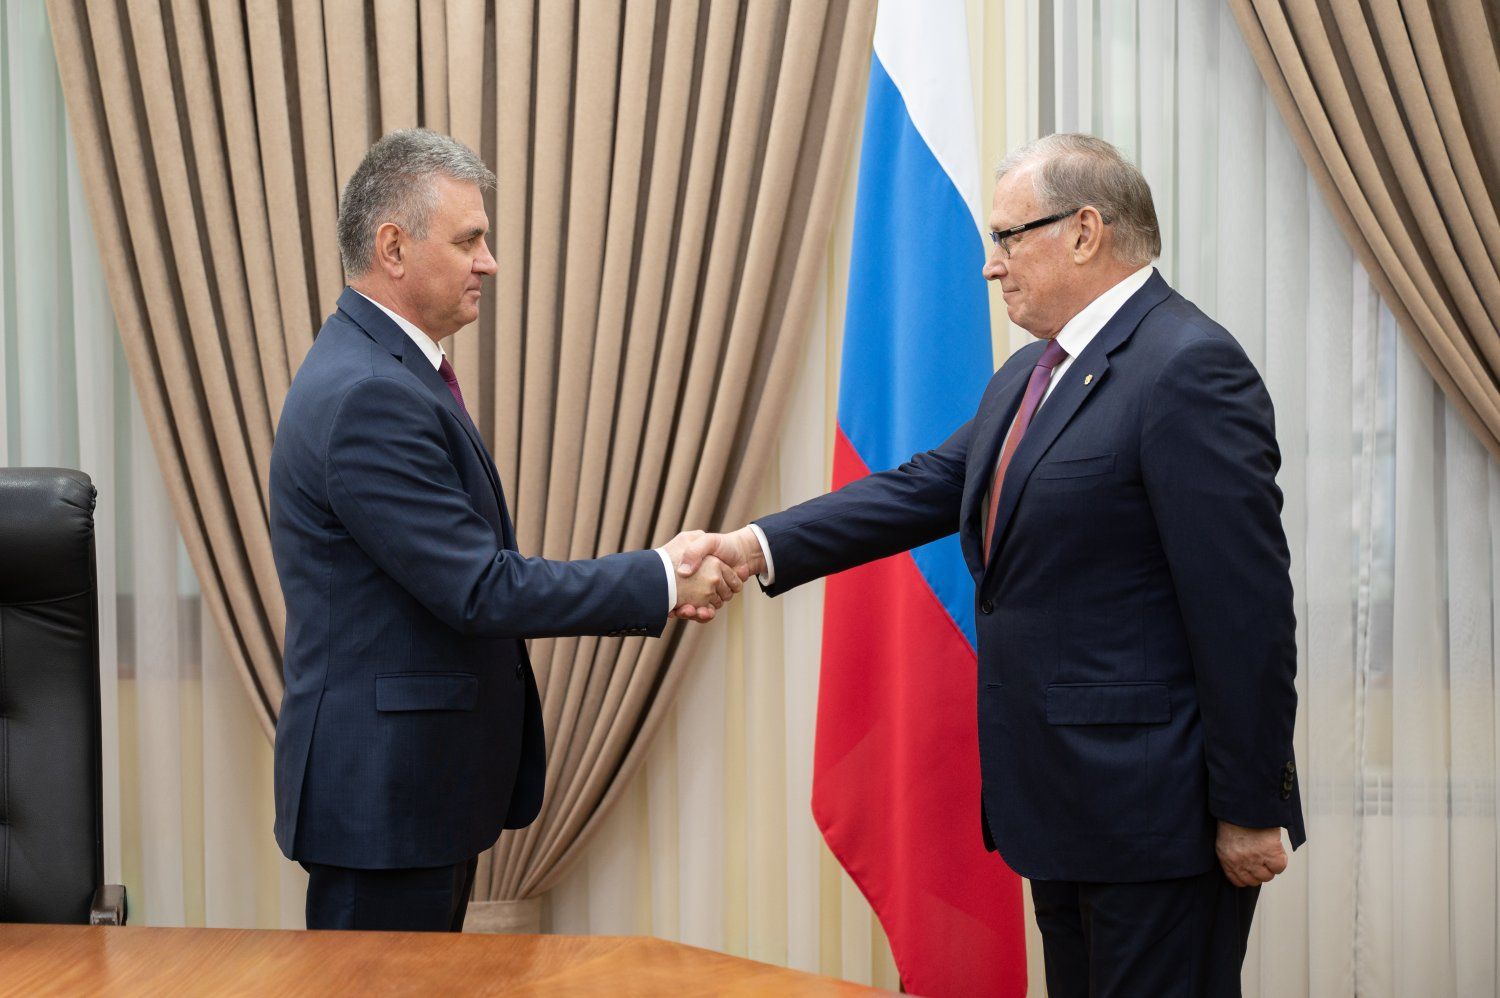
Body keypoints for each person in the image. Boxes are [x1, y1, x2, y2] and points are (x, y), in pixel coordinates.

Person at [679, 133, 1305, 996]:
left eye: (1008, 237)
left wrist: (1251, 805)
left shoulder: (1187, 366)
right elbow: (921, 488)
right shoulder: (1029, 376)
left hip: (1159, 821)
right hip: (1060, 810)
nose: (990, 265)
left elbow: (1246, 615)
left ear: (1084, 232)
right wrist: (750, 546)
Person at [268, 129, 738, 932]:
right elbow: (481, 588)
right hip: (386, 802)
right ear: (393, 248)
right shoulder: (369, 394)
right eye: (469, 240)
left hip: (409, 794)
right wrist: (662, 576)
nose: (488, 262)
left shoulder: (381, 369)